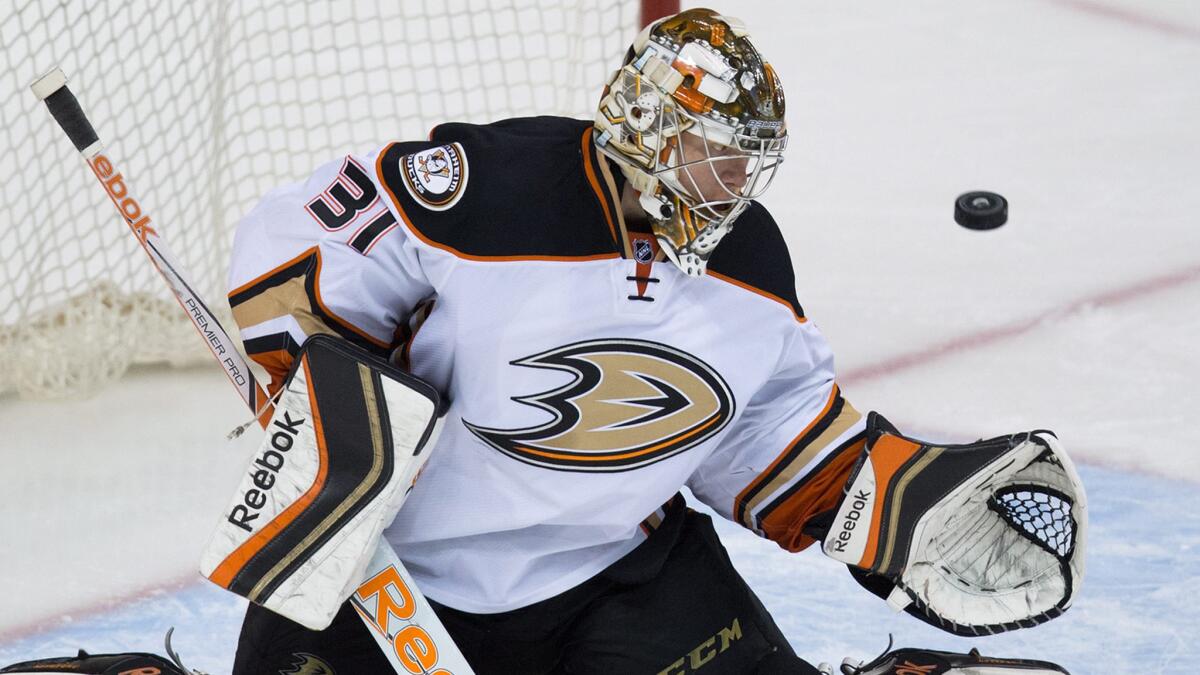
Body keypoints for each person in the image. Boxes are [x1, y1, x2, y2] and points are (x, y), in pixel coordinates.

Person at [217, 8, 1079, 674]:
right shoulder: (489, 190)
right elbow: (298, 241)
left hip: (612, 579)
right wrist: (313, 385)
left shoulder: (749, 259)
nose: (734, 185)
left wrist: (879, 498)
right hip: (387, 573)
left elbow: (759, 422)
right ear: (645, 127)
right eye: (715, 156)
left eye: (747, 163)